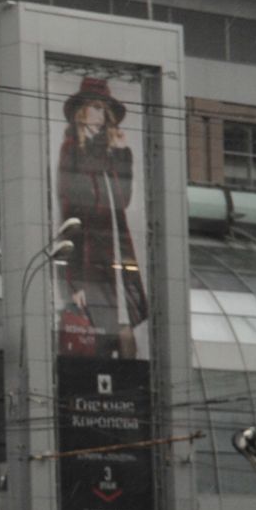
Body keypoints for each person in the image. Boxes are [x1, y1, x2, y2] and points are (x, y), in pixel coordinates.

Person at [57, 76, 148, 359]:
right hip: (89, 254)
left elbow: (123, 199)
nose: (102, 114)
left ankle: (131, 392)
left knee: (125, 328)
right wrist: (76, 282)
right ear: (82, 111)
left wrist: (122, 155)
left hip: (117, 251)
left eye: (104, 109)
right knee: (100, 332)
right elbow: (71, 211)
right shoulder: (72, 150)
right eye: (96, 107)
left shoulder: (112, 152)